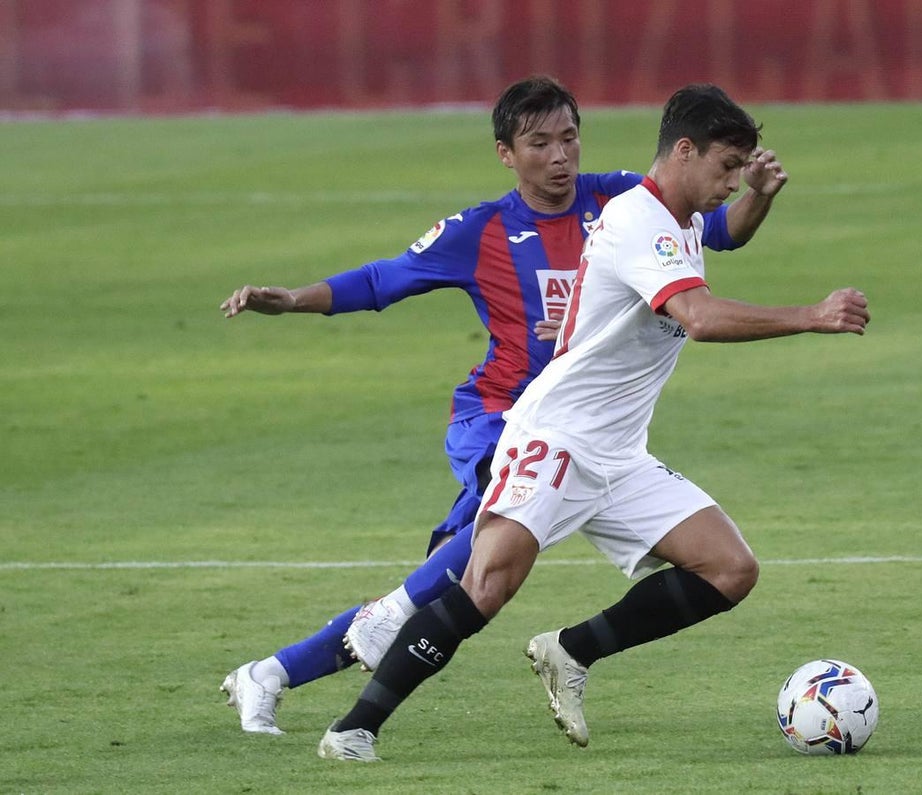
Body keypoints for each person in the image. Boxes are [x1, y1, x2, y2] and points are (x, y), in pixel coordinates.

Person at [217, 75, 788, 735]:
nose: (559, 156)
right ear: (506, 154)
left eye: (569, 137)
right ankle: (324, 662)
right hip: (497, 419)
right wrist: (292, 297)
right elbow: (382, 280)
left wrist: (758, 198)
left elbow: (717, 228)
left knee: (460, 578)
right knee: (468, 571)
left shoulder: (627, 198)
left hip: (590, 430)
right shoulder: (482, 231)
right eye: (538, 142)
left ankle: (278, 672)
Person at [317, 83, 870, 761]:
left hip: (616, 451)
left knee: (730, 568)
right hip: (555, 434)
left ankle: (569, 651)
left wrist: (757, 192)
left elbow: (730, 235)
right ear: (685, 151)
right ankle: (354, 728)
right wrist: (812, 315)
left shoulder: (683, 213)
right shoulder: (639, 220)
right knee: (487, 586)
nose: (731, 182)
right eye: (727, 167)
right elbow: (696, 318)